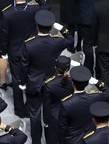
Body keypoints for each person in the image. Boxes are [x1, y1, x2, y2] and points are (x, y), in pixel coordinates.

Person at [20, 10, 74, 144]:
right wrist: (61, 28)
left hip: (34, 83)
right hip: (52, 82)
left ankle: (36, 141)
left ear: (37, 26)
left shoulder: (29, 44)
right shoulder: (57, 42)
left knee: (34, 115)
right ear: (50, 27)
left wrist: (23, 82)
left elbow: (24, 66)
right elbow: (70, 39)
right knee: (51, 112)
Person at [58, 66, 109, 144]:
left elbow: (62, 128)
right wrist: (96, 81)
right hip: (91, 139)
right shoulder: (95, 97)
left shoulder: (66, 103)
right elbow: (108, 92)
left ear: (72, 83)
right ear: (87, 83)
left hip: (73, 140)